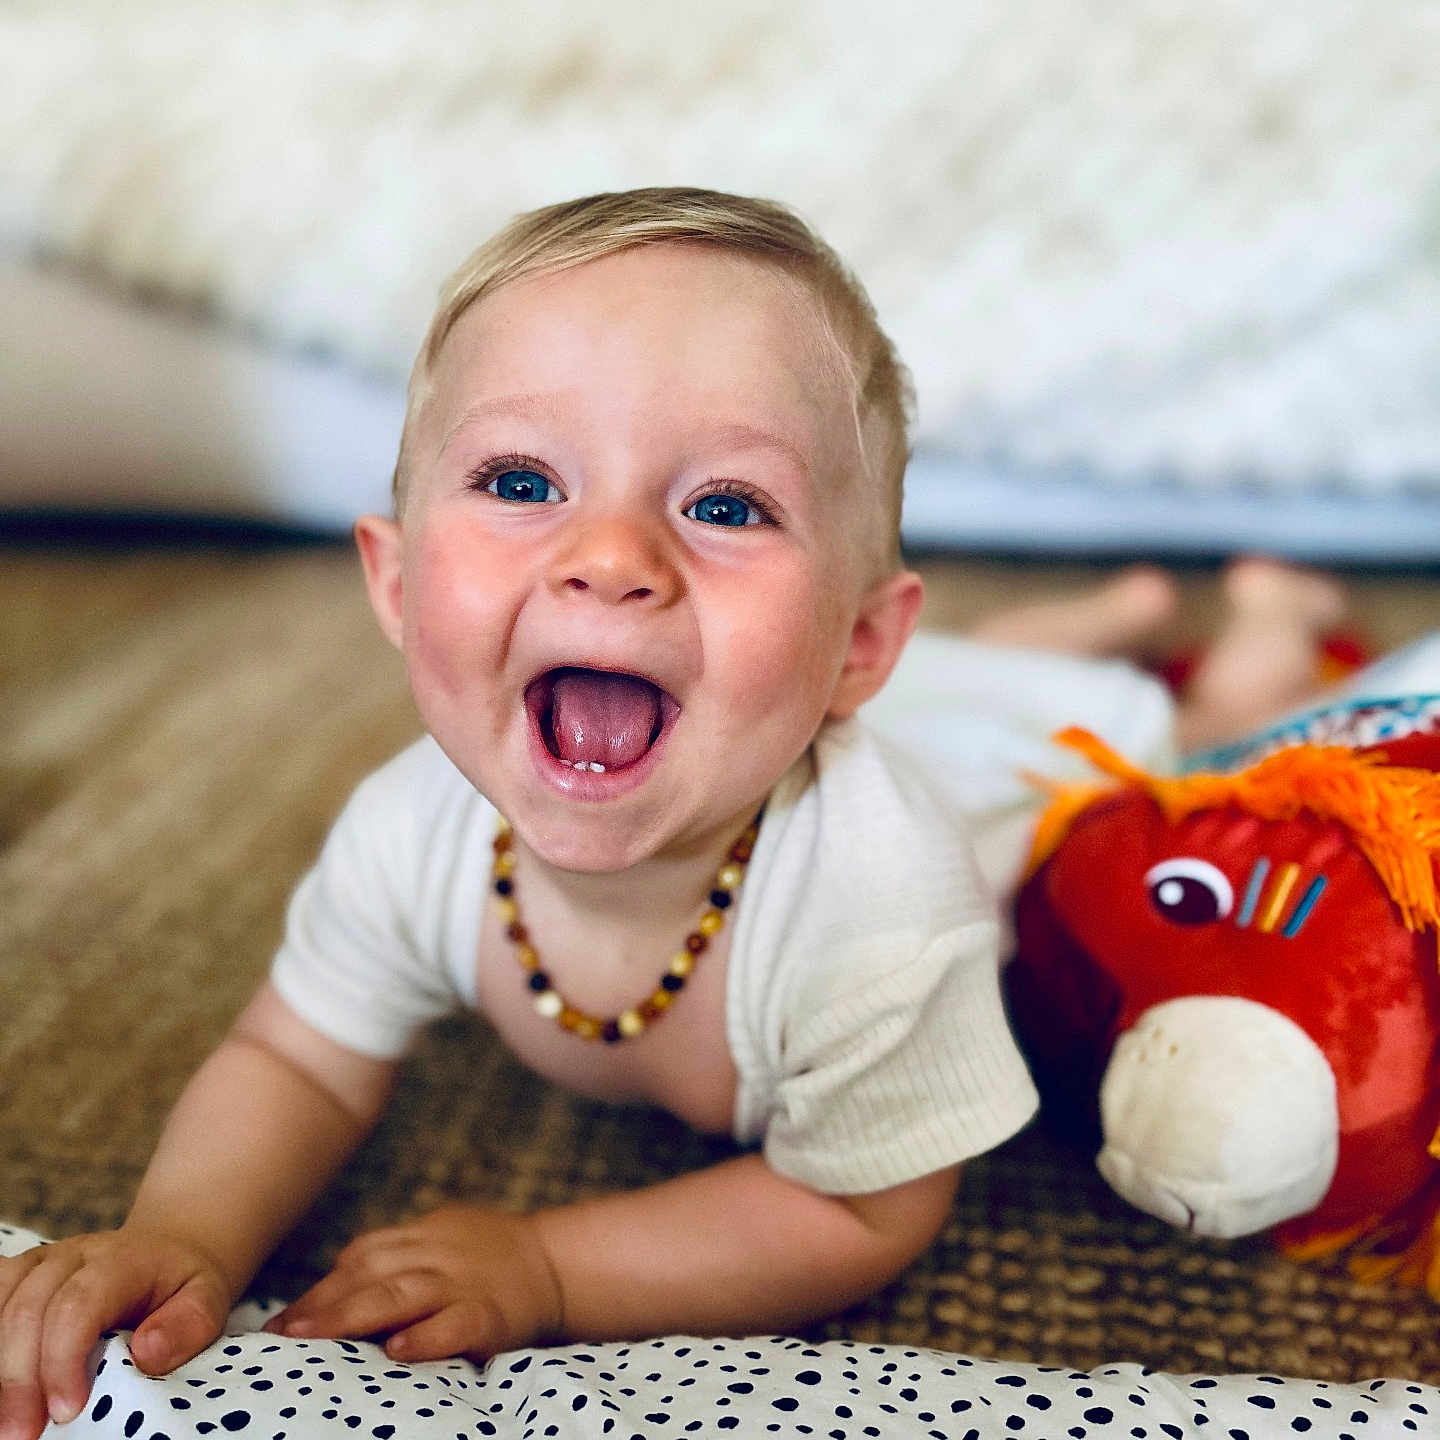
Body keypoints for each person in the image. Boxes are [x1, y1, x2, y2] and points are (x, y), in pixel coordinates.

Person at [0, 186, 1365, 1440]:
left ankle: (1260, 625)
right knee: (983, 673)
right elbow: (296, 1056)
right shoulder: (407, 831)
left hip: (1022, 779)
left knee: (1181, 746)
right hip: (891, 689)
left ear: (852, 649)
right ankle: (1093, 616)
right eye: (524, 483)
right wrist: (185, 1231)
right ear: (399, 582)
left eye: (724, 503)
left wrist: (548, 1263)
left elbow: (867, 1204)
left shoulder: (877, 907)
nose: (609, 558)